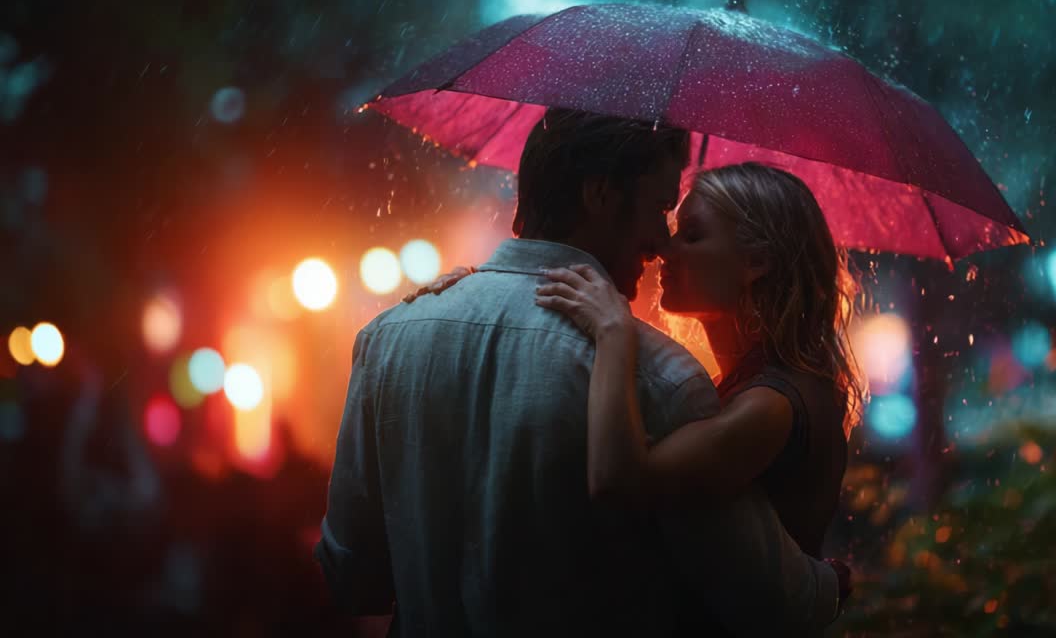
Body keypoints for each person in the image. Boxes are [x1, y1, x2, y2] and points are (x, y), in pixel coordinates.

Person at [316, 108, 846, 637]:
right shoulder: (662, 380)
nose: (663, 243)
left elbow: (354, 579)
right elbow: (771, 601)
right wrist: (833, 583)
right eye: (661, 209)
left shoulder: (389, 336)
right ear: (600, 195)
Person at [535, 163, 862, 633]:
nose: (663, 249)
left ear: (756, 262)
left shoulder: (772, 404)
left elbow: (618, 481)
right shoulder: (755, 384)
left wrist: (613, 333)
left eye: (691, 235)